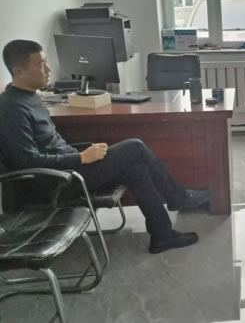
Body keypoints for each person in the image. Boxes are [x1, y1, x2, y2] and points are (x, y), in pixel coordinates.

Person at [0, 39, 210, 254]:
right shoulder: (11, 108)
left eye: (46, 62)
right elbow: (26, 160)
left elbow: (50, 146)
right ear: (19, 71)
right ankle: (177, 197)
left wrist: (80, 155)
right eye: (40, 64)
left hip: (70, 169)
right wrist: (81, 158)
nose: (48, 69)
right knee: (135, 147)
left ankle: (162, 235)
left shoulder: (31, 97)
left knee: (137, 169)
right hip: (55, 182)